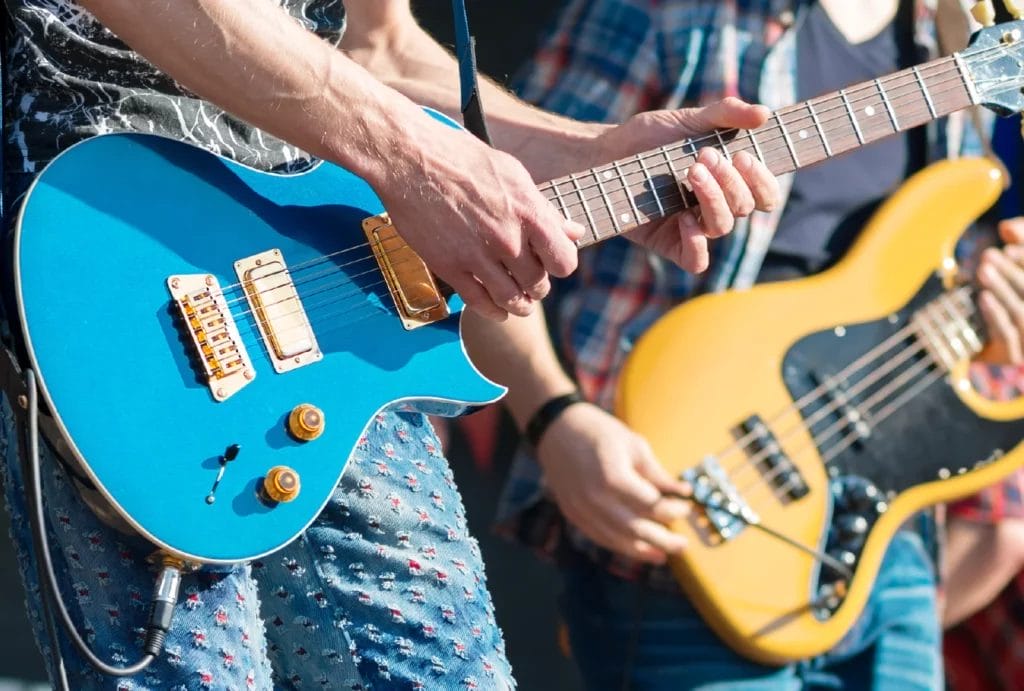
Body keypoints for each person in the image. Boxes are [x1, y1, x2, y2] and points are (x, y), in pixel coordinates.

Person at [0, 0, 778, 688]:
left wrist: (576, 150)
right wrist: (410, 156)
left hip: (319, 281)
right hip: (110, 267)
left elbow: (378, 46)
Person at [462, 0, 1024, 688]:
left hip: (885, 555)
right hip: (681, 526)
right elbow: (482, 226)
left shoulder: (960, 37)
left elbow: (913, 289)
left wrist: (991, 327)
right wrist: (554, 418)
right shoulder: (666, 13)